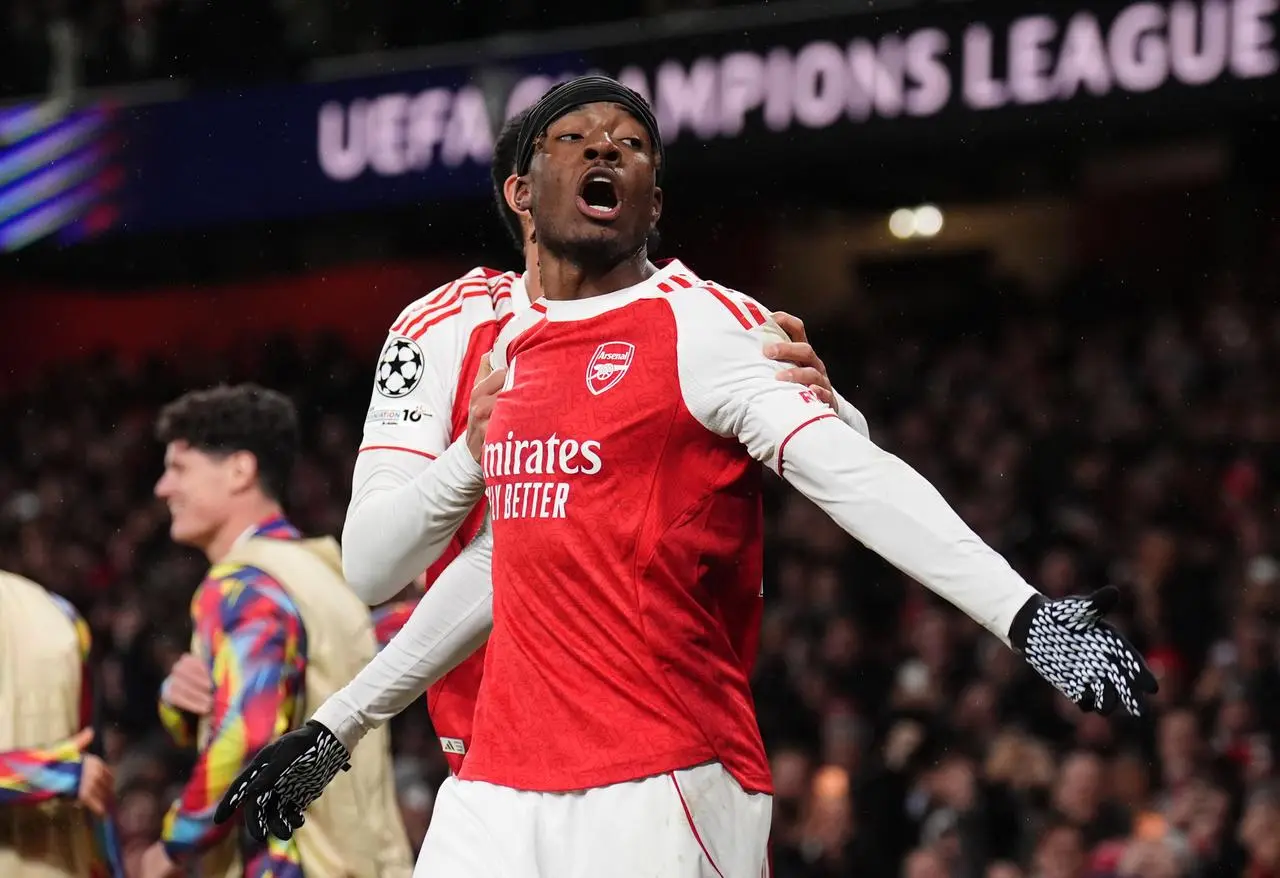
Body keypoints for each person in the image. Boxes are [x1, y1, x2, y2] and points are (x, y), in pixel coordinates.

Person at [217, 77, 1156, 876]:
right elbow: (512, 560)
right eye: (576, 139)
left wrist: (1022, 612)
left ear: (653, 202)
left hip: (664, 774)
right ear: (522, 191)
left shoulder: (708, 327)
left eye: (632, 146)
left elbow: (856, 475)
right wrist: (341, 723)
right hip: (500, 781)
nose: (607, 151)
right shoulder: (514, 351)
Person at [139, 384, 412, 878]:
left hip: (292, 860)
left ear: (240, 471)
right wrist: (181, 707)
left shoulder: (244, 583)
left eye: (179, 467)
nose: (163, 487)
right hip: (372, 859)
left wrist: (176, 842)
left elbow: (245, 735)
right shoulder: (328, 573)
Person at [0, 569, 121, 878]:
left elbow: (92, 774)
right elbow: (87, 773)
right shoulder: (57, 613)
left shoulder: (59, 614)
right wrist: (53, 774)